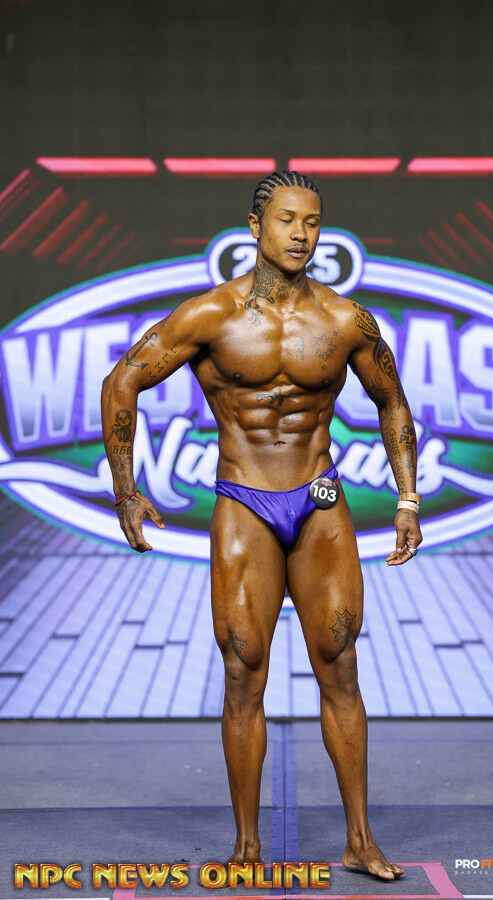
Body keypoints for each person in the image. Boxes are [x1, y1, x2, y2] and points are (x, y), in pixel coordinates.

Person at [101, 170, 422, 880]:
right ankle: (247, 846)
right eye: (286, 220)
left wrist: (408, 500)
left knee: (340, 664)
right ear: (255, 227)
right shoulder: (210, 316)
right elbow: (122, 380)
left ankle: (359, 839)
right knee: (244, 672)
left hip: (320, 500)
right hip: (245, 501)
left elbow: (392, 401)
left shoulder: (346, 320)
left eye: (312, 222)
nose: (301, 234)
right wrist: (126, 492)